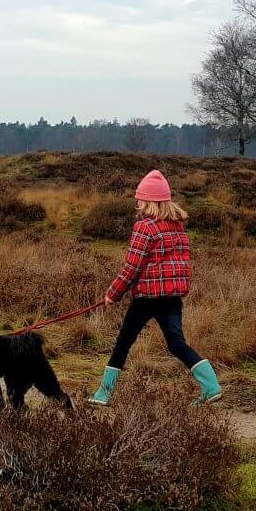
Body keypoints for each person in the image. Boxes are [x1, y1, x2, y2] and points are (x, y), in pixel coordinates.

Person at [88, 169, 221, 407]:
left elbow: (132, 266)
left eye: (140, 198)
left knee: (124, 341)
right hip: (172, 297)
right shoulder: (177, 226)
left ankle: (103, 393)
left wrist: (112, 294)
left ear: (150, 201)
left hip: (147, 297)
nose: (137, 202)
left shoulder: (144, 227)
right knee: (176, 343)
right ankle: (211, 386)